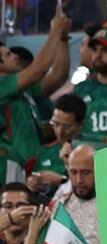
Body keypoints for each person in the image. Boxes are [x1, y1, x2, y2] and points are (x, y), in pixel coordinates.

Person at [0, 11, 71, 170]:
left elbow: (59, 75)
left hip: (34, 165)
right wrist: (55, 31)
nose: (16, 56)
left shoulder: (24, 90)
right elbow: (40, 69)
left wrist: (63, 38)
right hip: (13, 166)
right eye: (8, 54)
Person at [30, 93, 85, 196]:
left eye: (67, 126)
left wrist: (62, 180)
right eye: (56, 124)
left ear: (80, 124)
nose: (60, 131)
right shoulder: (43, 152)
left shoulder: (94, 151)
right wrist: (32, 185)